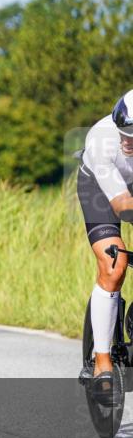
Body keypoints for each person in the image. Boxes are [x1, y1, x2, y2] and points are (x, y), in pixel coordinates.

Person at [79, 88, 133, 400]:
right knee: (114, 265)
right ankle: (101, 362)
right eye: (122, 131)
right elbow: (123, 205)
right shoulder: (102, 140)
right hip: (102, 190)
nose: (126, 141)